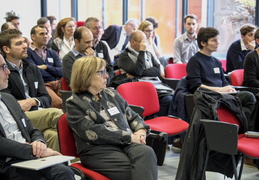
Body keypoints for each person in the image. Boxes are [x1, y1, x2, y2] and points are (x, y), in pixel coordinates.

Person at [66, 56, 157, 180]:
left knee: (147, 153)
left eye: (106, 72)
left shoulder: (111, 94)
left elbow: (132, 116)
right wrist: (128, 137)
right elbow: (93, 131)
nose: (107, 76)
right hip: (97, 149)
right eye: (101, 72)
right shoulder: (74, 103)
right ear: (86, 75)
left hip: (127, 143)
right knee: (138, 169)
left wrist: (141, 130)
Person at [0, 54, 75, 180]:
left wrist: (38, 142)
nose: (8, 72)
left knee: (64, 171)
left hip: (29, 157)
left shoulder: (9, 98)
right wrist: (35, 151)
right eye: (3, 67)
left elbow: (32, 129)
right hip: (8, 163)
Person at [0, 28, 63, 152]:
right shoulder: (3, 72)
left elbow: (46, 98)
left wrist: (33, 101)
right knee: (56, 114)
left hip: (38, 113)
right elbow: (12, 104)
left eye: (24, 42)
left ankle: (56, 166)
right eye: (19, 44)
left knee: (53, 135)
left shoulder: (32, 68)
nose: (25, 46)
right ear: (6, 49)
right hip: (20, 117)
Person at [186, 27, 256, 128]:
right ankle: (243, 126)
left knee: (249, 97)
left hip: (223, 96)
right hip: (210, 98)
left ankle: (246, 129)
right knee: (244, 106)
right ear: (203, 43)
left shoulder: (216, 61)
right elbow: (196, 86)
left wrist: (229, 88)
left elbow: (224, 81)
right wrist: (221, 90)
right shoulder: (195, 61)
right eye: (214, 40)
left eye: (218, 40)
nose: (218, 43)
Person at [118, 30, 173, 117]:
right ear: (132, 42)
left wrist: (141, 73)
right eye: (142, 42)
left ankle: (159, 122)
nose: (145, 45)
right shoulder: (124, 56)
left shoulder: (148, 54)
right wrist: (142, 51)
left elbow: (157, 70)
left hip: (154, 85)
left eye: (145, 42)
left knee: (169, 99)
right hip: (138, 87)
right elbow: (137, 71)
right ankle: (151, 124)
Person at [24, 25, 63, 109]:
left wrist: (46, 67)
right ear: (33, 36)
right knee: (59, 103)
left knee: (72, 101)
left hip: (57, 84)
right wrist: (53, 71)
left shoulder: (51, 52)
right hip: (42, 85)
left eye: (46, 33)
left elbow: (61, 71)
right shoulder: (27, 52)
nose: (45, 36)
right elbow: (35, 71)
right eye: (42, 34)